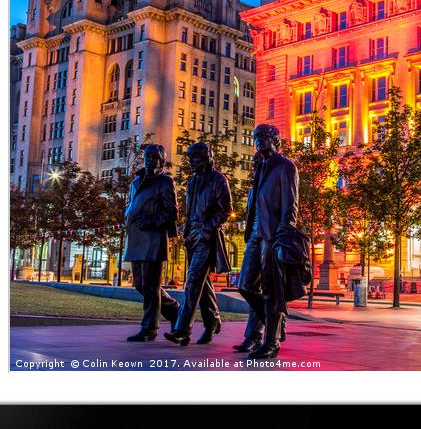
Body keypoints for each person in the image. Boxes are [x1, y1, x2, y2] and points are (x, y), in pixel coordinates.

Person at [234, 124, 299, 359]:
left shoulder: (285, 167)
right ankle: (274, 325)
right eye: (256, 137)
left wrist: (283, 235)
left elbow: (290, 206)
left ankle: (270, 342)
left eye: (263, 136)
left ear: (275, 139)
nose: (259, 140)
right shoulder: (260, 167)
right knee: (245, 285)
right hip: (254, 234)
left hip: (272, 235)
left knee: (271, 290)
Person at [164, 142, 232, 346]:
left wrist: (207, 228)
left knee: (193, 281)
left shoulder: (219, 180)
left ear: (207, 158)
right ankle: (213, 322)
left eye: (195, 159)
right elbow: (190, 210)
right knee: (203, 284)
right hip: (192, 236)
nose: (192, 163)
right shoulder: (193, 182)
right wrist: (186, 231)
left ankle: (182, 330)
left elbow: (225, 210)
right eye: (190, 159)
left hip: (207, 237)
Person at [123, 144, 180, 342]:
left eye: (155, 157)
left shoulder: (165, 182)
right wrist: (127, 216)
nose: (149, 159)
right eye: (147, 156)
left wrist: (151, 221)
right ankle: (174, 310)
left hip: (153, 239)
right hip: (136, 237)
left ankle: (149, 329)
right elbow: (130, 203)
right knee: (139, 284)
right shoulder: (136, 181)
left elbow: (171, 211)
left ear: (162, 160)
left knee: (151, 286)